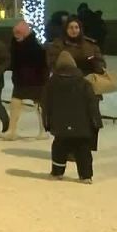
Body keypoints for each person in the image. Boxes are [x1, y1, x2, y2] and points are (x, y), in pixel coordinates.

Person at [46, 15, 107, 150]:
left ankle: (88, 147)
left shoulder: (90, 45)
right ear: (65, 29)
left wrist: (93, 63)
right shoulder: (58, 45)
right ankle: (68, 149)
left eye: (76, 27)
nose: (74, 30)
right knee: (70, 119)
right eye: (70, 27)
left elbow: (101, 65)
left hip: (88, 86)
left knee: (92, 117)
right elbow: (53, 64)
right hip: (67, 88)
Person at [44, 51, 101, 184]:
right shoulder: (84, 83)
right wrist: (96, 122)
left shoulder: (51, 84)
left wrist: (47, 122)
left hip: (59, 124)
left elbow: (46, 104)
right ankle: (85, 175)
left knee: (59, 147)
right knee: (83, 149)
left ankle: (57, 172)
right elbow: (92, 104)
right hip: (82, 124)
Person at [3, 21, 49, 140]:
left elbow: (43, 65)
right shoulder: (14, 45)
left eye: (18, 32)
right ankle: (12, 130)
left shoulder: (35, 46)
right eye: (15, 32)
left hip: (36, 81)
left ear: (25, 33)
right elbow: (13, 62)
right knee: (15, 104)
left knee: (40, 106)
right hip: (20, 80)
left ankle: (43, 130)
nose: (16, 35)